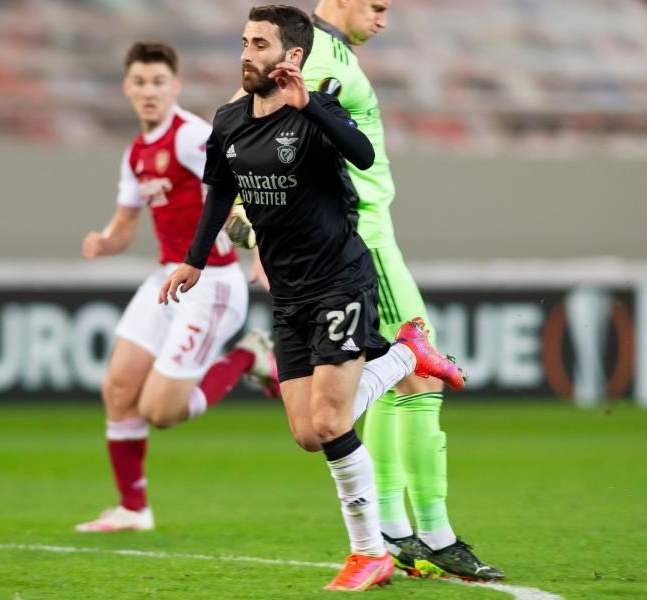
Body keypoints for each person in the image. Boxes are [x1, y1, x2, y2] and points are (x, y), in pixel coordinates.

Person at [158, 6, 464, 591]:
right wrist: (194, 258)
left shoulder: (317, 112)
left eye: (260, 45)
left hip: (339, 278)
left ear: (291, 58)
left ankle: (370, 551)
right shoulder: (227, 121)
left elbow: (364, 155)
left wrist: (313, 107)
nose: (246, 54)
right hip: (290, 292)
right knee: (307, 433)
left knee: (330, 418)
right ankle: (407, 353)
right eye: (244, 42)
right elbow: (220, 193)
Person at [225, 0, 504, 581]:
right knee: (420, 371)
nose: (383, 18)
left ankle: (392, 529)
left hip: (360, 235)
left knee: (376, 386)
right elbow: (256, 133)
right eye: (377, 5)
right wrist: (255, 234)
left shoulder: (328, 51)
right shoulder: (315, 54)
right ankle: (433, 533)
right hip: (359, 239)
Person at [74, 41, 275, 534]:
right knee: (118, 389)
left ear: (175, 87)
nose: (149, 92)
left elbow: (238, 196)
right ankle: (133, 508)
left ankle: (249, 355)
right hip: (168, 276)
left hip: (212, 282)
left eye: (159, 82)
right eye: (140, 82)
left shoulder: (191, 137)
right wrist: (104, 241)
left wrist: (261, 250)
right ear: (128, 87)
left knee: (160, 412)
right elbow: (125, 227)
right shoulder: (137, 153)